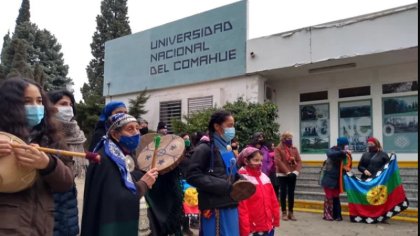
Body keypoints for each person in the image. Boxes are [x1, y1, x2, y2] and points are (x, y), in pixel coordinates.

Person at [0, 77, 74, 235]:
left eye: (39, 101)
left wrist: (48, 165)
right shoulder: (2, 138)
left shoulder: (50, 138)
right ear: (9, 106)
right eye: (27, 101)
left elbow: (66, 183)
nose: (36, 107)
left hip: (42, 226)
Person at [81, 113, 158, 236]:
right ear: (115, 134)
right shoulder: (105, 159)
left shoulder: (125, 153)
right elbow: (115, 199)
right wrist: (143, 184)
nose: (136, 133)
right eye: (130, 129)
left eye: (137, 128)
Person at [187, 110, 242, 235]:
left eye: (233, 125)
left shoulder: (227, 148)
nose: (232, 129)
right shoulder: (204, 148)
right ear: (217, 126)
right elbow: (192, 175)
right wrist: (222, 185)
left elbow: (233, 173)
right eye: (229, 125)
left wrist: (242, 180)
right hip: (214, 207)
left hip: (231, 203)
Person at [48, 90, 87, 236]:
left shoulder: (76, 134)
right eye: (63, 104)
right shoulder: (43, 133)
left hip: (69, 200)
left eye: (71, 104)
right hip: (49, 201)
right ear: (50, 106)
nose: (69, 108)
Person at [145, 123, 184, 236]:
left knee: (173, 219)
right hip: (158, 189)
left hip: (171, 187)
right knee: (161, 221)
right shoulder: (151, 146)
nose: (164, 133)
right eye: (162, 131)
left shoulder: (171, 147)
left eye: (165, 131)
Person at [238, 147, 280, 236]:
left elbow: (274, 200)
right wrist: (245, 231)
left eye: (261, 160)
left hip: (269, 226)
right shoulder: (243, 180)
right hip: (253, 230)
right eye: (256, 160)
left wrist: (275, 219)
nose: (260, 163)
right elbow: (242, 209)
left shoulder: (265, 177)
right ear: (246, 161)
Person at [320, 137, 352, 221]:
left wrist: (347, 155)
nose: (347, 147)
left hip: (338, 179)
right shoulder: (332, 150)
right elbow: (330, 154)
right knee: (329, 197)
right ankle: (328, 215)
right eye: (346, 145)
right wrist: (343, 152)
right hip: (329, 178)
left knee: (336, 197)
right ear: (342, 145)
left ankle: (337, 215)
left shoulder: (346, 155)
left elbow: (348, 167)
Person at [274, 131, 302, 221]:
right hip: (282, 174)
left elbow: (299, 161)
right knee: (283, 193)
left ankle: (291, 212)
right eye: (288, 138)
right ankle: (284, 212)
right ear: (283, 139)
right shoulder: (278, 148)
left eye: (291, 138)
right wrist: (287, 172)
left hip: (293, 174)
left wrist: (296, 172)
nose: (290, 140)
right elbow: (278, 161)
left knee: (291, 193)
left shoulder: (294, 148)